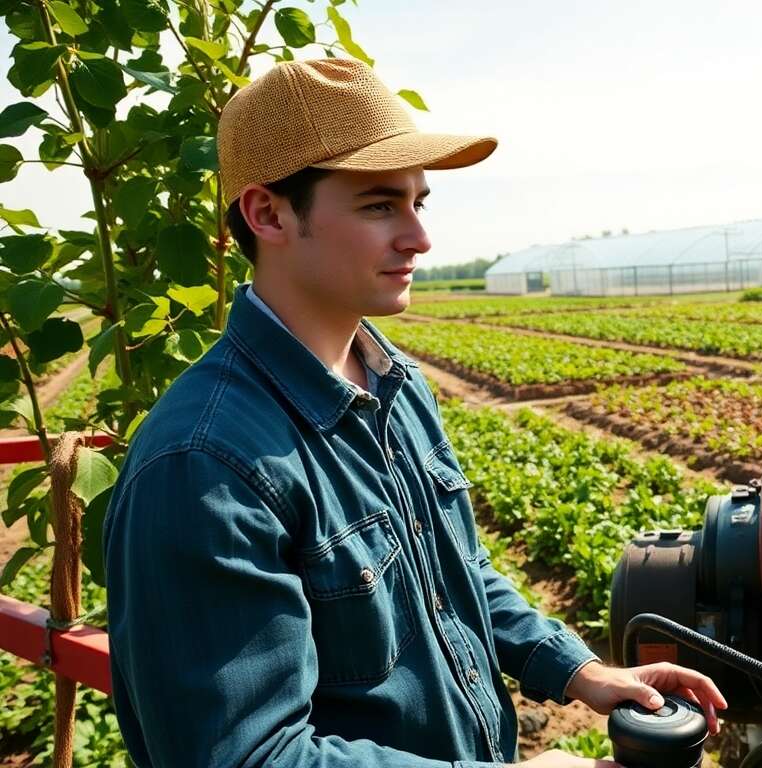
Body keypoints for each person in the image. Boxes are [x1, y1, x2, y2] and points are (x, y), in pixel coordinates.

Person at [102, 57, 726, 768]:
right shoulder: (205, 467)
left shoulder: (397, 384)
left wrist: (580, 669)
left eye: (417, 203)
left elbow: (454, 577)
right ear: (268, 213)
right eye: (378, 205)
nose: (419, 239)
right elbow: (248, 756)